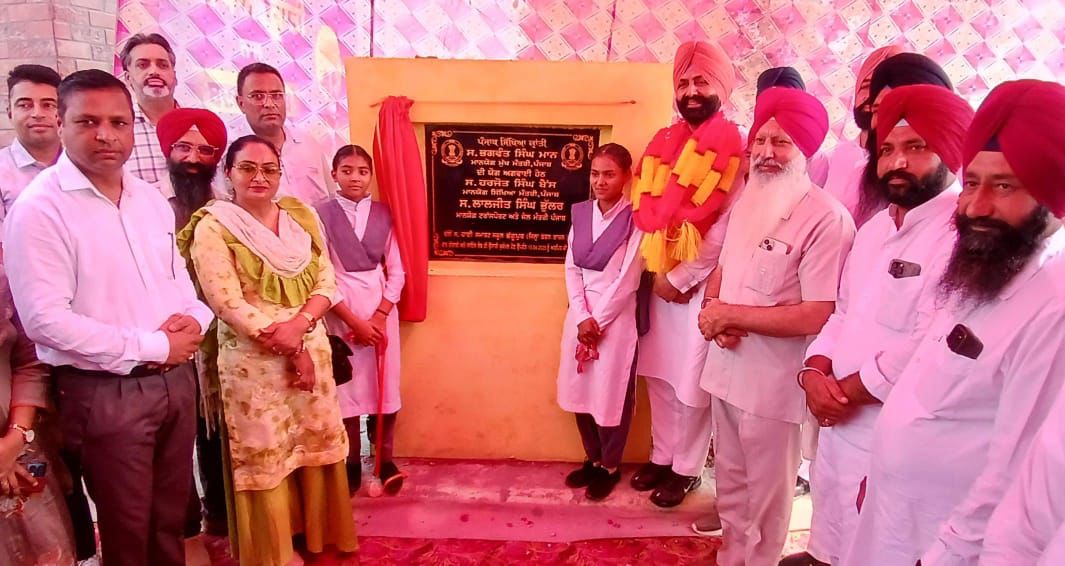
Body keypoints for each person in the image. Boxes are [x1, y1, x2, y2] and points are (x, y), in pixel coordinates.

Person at [842, 79, 1065, 566]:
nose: (977, 206)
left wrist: (945, 554)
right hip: (896, 511)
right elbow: (928, 382)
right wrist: (880, 473)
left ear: (1052, 193)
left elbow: (1015, 470)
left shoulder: (1053, 307)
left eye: (1004, 186)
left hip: (944, 540)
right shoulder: (984, 265)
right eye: (972, 183)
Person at [2, 69, 211, 566]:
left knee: (171, 520)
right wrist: (154, 346)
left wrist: (196, 319)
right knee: (127, 529)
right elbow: (45, 321)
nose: (105, 135)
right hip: (104, 391)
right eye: (88, 121)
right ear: (62, 123)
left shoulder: (148, 199)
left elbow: (177, 277)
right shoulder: (40, 209)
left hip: (175, 381)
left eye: (118, 123)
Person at [779, 84, 974, 566]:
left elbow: (930, 343)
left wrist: (843, 392)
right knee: (834, 510)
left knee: (882, 539)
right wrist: (814, 370)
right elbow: (843, 312)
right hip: (840, 417)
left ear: (950, 153)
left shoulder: (961, 238)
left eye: (916, 147)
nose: (897, 162)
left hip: (893, 426)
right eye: (887, 149)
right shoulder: (873, 229)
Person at [697, 86, 856, 566]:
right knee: (730, 486)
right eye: (760, 141)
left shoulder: (827, 219)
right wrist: (713, 311)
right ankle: (731, 557)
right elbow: (723, 267)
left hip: (773, 386)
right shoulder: (748, 200)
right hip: (725, 371)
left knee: (767, 499)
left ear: (805, 150)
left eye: (781, 142)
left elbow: (818, 312)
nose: (766, 153)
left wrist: (731, 316)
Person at [182, 135, 357, 565]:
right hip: (254, 364)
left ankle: (317, 535)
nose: (259, 177)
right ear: (228, 173)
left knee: (314, 443)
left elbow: (326, 280)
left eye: (269, 169)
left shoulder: (300, 217)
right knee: (268, 454)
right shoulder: (214, 227)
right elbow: (225, 302)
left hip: (311, 350)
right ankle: (274, 550)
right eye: (247, 168)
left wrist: (301, 326)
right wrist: (290, 344)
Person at [631, 40, 744, 510]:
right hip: (657, 276)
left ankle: (687, 468)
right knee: (659, 374)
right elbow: (645, 212)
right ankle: (661, 456)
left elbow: (725, 228)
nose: (691, 91)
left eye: (701, 82)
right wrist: (656, 274)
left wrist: (680, 279)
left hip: (699, 289)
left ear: (722, 88)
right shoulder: (662, 143)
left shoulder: (735, 148)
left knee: (690, 383)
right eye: (683, 83)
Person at [155, 107, 231, 537]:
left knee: (216, 426)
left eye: (205, 151)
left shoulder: (226, 208)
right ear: (168, 150)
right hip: (166, 337)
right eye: (183, 148)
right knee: (173, 436)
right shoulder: (150, 205)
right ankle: (183, 527)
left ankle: (220, 513)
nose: (193, 159)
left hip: (222, 333)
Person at [556, 143, 643, 501]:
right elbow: (571, 269)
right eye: (595, 174)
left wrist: (599, 320)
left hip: (615, 321)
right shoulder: (581, 215)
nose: (600, 181)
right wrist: (582, 317)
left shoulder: (636, 220)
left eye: (609, 174)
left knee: (610, 393)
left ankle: (610, 465)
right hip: (580, 319)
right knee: (581, 390)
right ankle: (592, 458)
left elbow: (629, 277)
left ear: (626, 177)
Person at [318, 145, 407, 494]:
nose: (355, 177)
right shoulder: (321, 214)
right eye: (347, 170)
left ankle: (384, 460)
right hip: (341, 310)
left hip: (380, 310)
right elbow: (322, 274)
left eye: (362, 171)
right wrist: (353, 321)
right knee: (348, 390)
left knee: (385, 386)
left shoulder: (383, 214)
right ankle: (352, 460)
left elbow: (396, 270)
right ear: (335, 174)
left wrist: (380, 316)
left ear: (370, 176)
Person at [0, 258, 76, 566]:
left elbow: (31, 361)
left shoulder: (5, 275)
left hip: (20, 444)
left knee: (46, 550)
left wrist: (14, 440)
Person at [853, 52, 953, 224]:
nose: (889, 122)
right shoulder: (875, 228)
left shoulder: (961, 227)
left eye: (915, 147)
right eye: (878, 110)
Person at [809, 46, 902, 223]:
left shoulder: (901, 165)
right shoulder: (839, 154)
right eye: (866, 86)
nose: (872, 97)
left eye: (882, 89)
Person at [232, 63, 334, 205]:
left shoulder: (307, 143)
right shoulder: (233, 154)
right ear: (240, 103)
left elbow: (331, 198)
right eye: (258, 96)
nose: (269, 104)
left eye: (276, 95)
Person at [0, 64, 62, 228]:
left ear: (63, 112)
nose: (37, 114)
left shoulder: (83, 165)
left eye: (48, 105)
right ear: (10, 113)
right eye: (25, 105)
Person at [119, 33, 181, 185]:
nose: (154, 71)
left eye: (163, 65)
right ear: (128, 78)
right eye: (143, 65)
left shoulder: (199, 127)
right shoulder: (117, 131)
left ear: (174, 76)